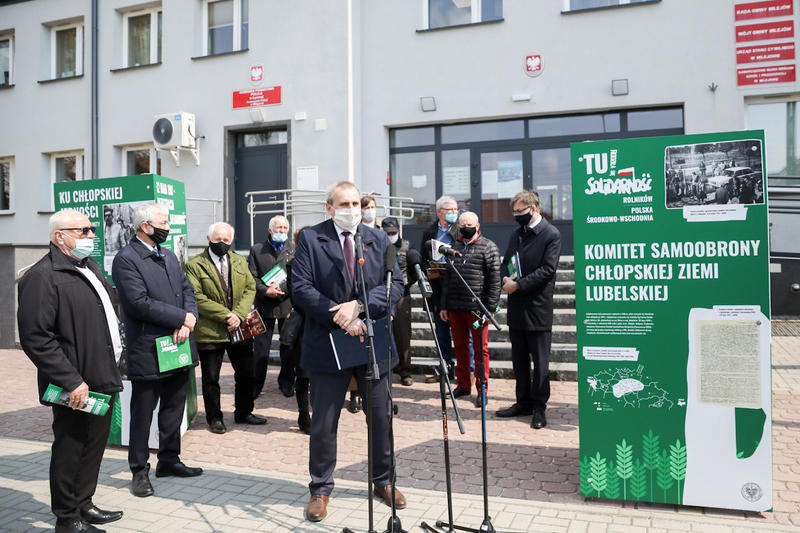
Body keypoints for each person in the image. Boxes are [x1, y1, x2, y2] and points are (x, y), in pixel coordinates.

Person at [291, 181, 404, 522]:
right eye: (345, 203)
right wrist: (341, 317)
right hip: (328, 344)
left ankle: (383, 480)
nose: (353, 209)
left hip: (373, 342)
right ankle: (320, 488)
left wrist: (359, 307)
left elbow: (395, 284)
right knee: (324, 422)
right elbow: (301, 288)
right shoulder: (312, 238)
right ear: (329, 208)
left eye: (357, 202)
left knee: (381, 418)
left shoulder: (378, 238)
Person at [18, 210, 124, 533]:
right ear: (59, 236)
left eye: (92, 230)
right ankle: (67, 518)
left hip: (103, 375)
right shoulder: (41, 275)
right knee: (70, 448)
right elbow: (37, 338)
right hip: (74, 385)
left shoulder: (89, 266)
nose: (92, 235)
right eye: (84, 230)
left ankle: (84, 503)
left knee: (94, 445)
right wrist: (71, 380)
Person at [111, 202, 203, 498]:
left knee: (174, 406)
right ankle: (139, 470)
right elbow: (138, 303)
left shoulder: (168, 255)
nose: (167, 226)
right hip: (149, 349)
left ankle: (169, 460)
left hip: (178, 344)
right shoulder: (127, 259)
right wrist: (180, 318)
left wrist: (188, 321)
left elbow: (187, 291)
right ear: (145, 226)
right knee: (143, 413)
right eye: (163, 221)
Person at [185, 222, 266, 434]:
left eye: (226, 240)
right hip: (210, 330)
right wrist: (226, 315)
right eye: (218, 239)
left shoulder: (239, 260)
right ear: (208, 239)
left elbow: (250, 288)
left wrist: (238, 314)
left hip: (239, 328)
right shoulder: (195, 264)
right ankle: (214, 417)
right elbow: (196, 296)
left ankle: (244, 412)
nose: (222, 243)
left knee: (246, 373)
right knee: (211, 378)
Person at [495, 191, 562, 430]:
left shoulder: (550, 234)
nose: (516, 216)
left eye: (519, 212)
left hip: (537, 307)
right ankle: (522, 402)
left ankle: (539, 407)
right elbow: (506, 261)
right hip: (517, 308)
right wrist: (505, 279)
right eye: (513, 212)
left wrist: (518, 285)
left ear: (533, 209)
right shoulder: (517, 235)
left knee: (540, 362)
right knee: (519, 359)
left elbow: (547, 270)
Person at [439, 211, 501, 408]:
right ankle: (463, 385)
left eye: (469, 224)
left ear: (478, 225)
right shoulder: (454, 246)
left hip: (477, 310)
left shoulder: (489, 247)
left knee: (480, 349)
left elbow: (494, 281)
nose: (465, 227)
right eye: (462, 224)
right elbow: (447, 278)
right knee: (460, 348)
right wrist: (444, 305)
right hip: (456, 308)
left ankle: (482, 389)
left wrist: (489, 308)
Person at [248, 215, 296, 398]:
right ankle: (256, 384)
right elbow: (251, 277)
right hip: (263, 306)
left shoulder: (294, 249)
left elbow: (297, 275)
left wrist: (280, 289)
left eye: (285, 228)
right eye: (279, 228)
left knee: (288, 348)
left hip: (288, 304)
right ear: (270, 230)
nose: (282, 231)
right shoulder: (256, 250)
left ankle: (286, 382)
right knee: (260, 349)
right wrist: (265, 291)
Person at [420, 195, 459, 382]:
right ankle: (446, 368)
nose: (454, 213)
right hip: (437, 288)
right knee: (441, 332)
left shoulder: (460, 230)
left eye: (455, 209)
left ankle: (467, 371)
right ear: (439, 212)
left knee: (462, 333)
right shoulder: (429, 233)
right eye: (450, 210)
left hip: (457, 286)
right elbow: (421, 258)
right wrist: (428, 270)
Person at [284, 226, 312, 434]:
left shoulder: (324, 262)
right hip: (305, 327)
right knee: (303, 375)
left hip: (326, 326)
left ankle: (320, 413)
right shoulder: (293, 264)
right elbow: (298, 299)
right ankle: (304, 416)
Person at [382, 216, 415, 386]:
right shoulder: (378, 246)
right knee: (382, 333)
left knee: (402, 334)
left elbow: (415, 269)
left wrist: (406, 285)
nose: (391, 235)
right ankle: (384, 370)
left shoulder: (407, 246)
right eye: (388, 232)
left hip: (402, 295)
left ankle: (405, 371)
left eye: (394, 232)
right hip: (382, 294)